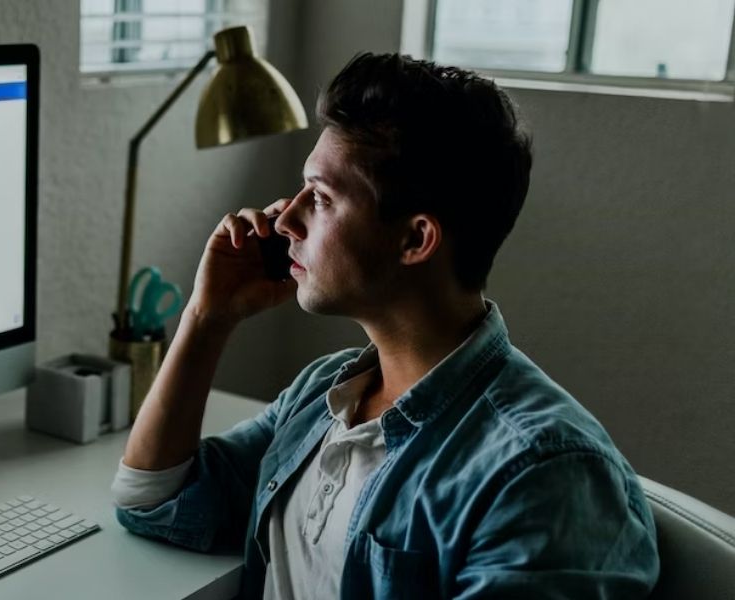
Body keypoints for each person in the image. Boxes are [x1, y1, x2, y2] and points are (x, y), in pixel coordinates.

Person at [110, 52, 659, 599]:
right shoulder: (324, 395)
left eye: (321, 199)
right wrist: (208, 318)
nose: (284, 218)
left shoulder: (542, 475)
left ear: (415, 240)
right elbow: (153, 501)